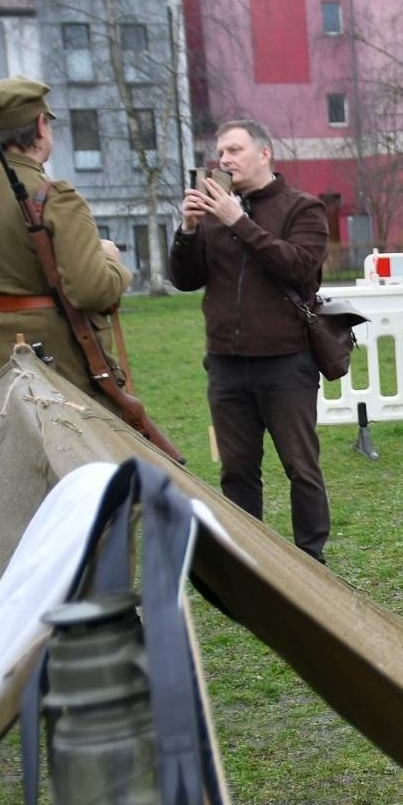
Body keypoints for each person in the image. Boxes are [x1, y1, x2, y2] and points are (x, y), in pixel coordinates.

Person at [170, 119, 333, 562]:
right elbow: (185, 279)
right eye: (221, 152)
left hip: (286, 362)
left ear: (264, 153)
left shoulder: (303, 208)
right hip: (225, 363)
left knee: (301, 467)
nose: (224, 160)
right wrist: (187, 229)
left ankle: (311, 560)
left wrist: (239, 222)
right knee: (237, 470)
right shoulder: (214, 215)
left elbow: (299, 267)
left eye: (235, 150)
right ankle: (248, 560)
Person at [0, 76, 132, 396]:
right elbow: (92, 290)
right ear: (41, 125)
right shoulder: (55, 195)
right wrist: (112, 263)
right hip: (56, 357)